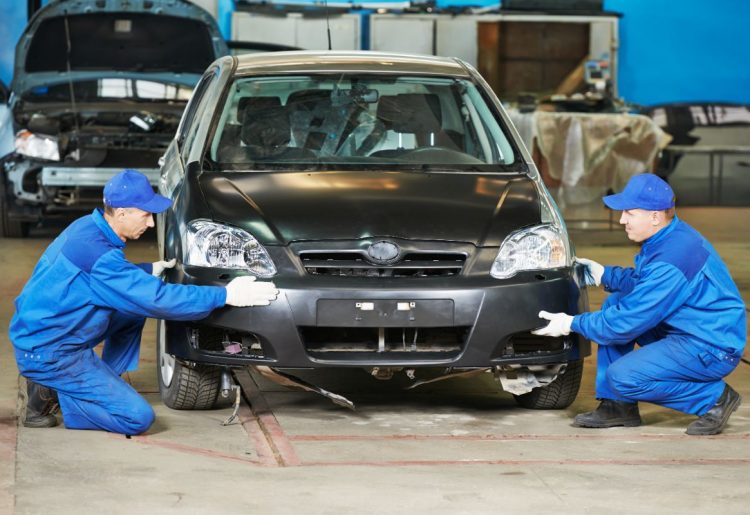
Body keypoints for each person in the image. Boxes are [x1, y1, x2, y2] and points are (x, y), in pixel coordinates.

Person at [10, 169, 279, 435]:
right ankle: (61, 392)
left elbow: (96, 279)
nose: (151, 223)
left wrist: (147, 270)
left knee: (131, 311)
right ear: (122, 212)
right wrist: (226, 295)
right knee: (137, 418)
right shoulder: (99, 256)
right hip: (52, 353)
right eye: (145, 214)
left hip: (45, 334)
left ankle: (98, 381)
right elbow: (158, 299)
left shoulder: (87, 227)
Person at [533, 173, 746, 435]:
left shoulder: (674, 257)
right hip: (688, 327)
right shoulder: (667, 237)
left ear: (655, 216)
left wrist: (570, 323)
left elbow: (624, 323)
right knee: (615, 303)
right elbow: (646, 284)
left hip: (709, 346)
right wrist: (604, 275)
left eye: (630, 213)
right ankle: (618, 407)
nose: (622, 219)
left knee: (623, 376)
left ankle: (714, 398)